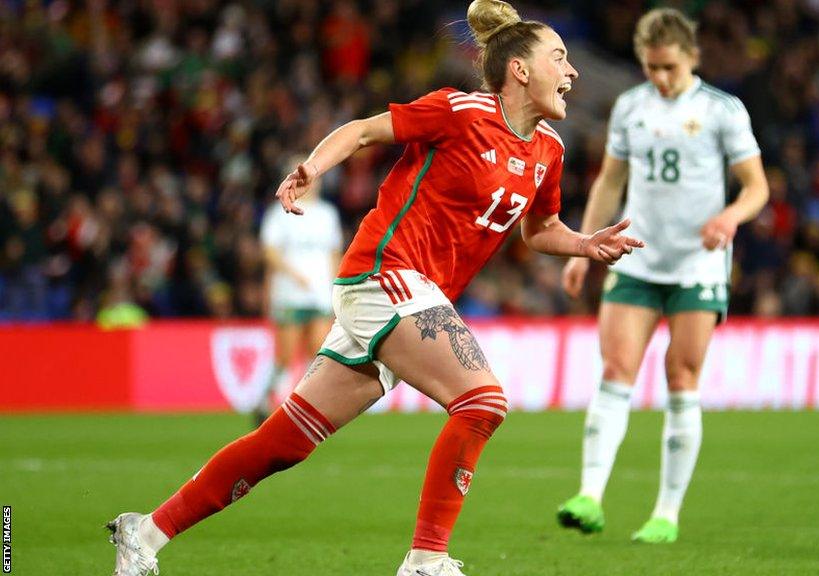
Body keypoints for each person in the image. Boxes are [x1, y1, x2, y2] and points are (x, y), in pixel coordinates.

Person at [106, 1, 643, 575]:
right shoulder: (460, 112)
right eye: (559, 58)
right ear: (519, 70)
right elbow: (364, 130)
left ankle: (145, 533)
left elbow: (540, 230)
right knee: (482, 401)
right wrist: (314, 167)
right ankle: (426, 560)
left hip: (412, 294)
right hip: (385, 273)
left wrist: (585, 244)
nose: (573, 71)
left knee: (283, 442)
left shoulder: (549, 152)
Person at [556, 8, 768, 544]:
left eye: (668, 67)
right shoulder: (630, 107)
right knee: (616, 368)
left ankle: (666, 515)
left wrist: (730, 216)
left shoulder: (723, 110)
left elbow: (756, 187)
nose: (659, 77)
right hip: (638, 257)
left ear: (691, 58)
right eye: (650, 67)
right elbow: (609, 182)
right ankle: (590, 496)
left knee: (681, 377)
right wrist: (584, 248)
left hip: (698, 263)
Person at [255, 161, 344, 426]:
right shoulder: (278, 212)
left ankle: (303, 406)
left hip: (319, 294)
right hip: (289, 294)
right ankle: (264, 400)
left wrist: (336, 287)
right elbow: (269, 252)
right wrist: (293, 274)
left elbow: (333, 253)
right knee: (285, 356)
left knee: (317, 353)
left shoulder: (328, 214)